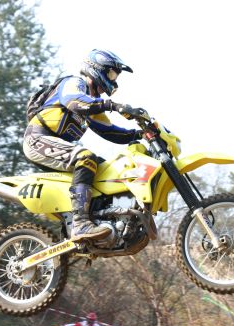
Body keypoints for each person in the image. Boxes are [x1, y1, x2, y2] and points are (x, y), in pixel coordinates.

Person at [23, 49, 144, 241]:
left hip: (55, 144)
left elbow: (110, 131)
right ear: (97, 68)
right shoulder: (74, 83)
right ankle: (80, 224)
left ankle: (104, 219)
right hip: (37, 138)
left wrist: (140, 134)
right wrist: (111, 105)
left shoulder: (92, 104)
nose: (113, 80)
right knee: (85, 157)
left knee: (108, 168)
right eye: (112, 74)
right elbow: (74, 101)